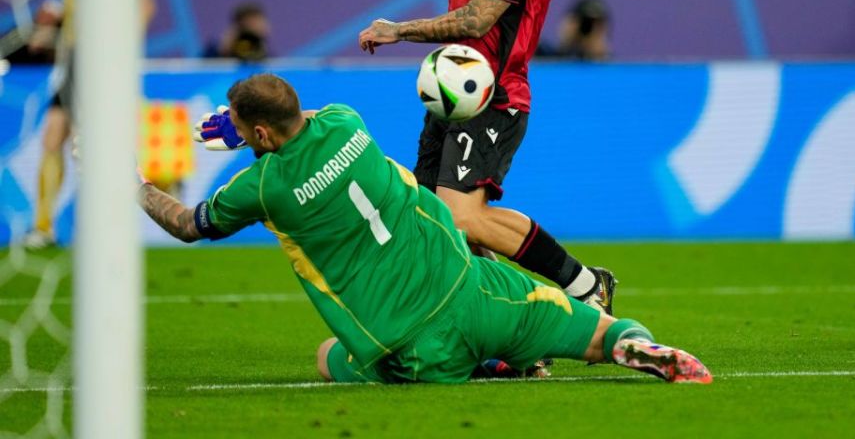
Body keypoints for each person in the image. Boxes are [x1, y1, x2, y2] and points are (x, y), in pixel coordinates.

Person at [149, 73, 712, 384]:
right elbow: (305, 119)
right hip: (475, 289)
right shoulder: (345, 119)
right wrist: (257, 127)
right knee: (599, 331)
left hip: (412, 346)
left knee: (328, 356)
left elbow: (186, 223)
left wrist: (132, 184)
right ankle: (635, 347)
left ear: (263, 138)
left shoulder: (262, 186)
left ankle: (487, 366)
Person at [356, 0, 617, 314]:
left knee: (461, 216)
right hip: (459, 98)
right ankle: (501, 325)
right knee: (436, 221)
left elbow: (479, 18)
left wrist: (399, 30)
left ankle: (582, 284)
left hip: (493, 99)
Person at [20, 0, 155, 249]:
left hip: (97, 60)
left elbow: (145, 4)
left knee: (88, 146)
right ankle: (44, 228)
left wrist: (120, 51)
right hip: (72, 61)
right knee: (52, 138)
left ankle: (106, 226)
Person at [537, 0, 612, 60]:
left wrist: (602, 59)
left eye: (598, 26)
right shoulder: (544, 55)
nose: (589, 30)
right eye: (585, 24)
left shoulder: (610, 68)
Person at [203, 1, 271, 61]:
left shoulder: (265, 51)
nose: (250, 31)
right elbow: (199, 69)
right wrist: (221, 52)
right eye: (247, 26)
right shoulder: (216, 49)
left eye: (256, 24)